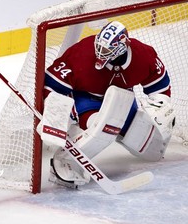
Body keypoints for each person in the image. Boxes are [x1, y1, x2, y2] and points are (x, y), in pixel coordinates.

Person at [42, 21, 176, 189]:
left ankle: (109, 131)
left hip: (122, 101)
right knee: (103, 126)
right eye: (99, 46)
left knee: (153, 150)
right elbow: (51, 84)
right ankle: (65, 160)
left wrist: (161, 108)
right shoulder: (81, 54)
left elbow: (160, 87)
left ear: (121, 47)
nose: (99, 52)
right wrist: (57, 112)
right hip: (86, 100)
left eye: (106, 50)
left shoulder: (143, 55)